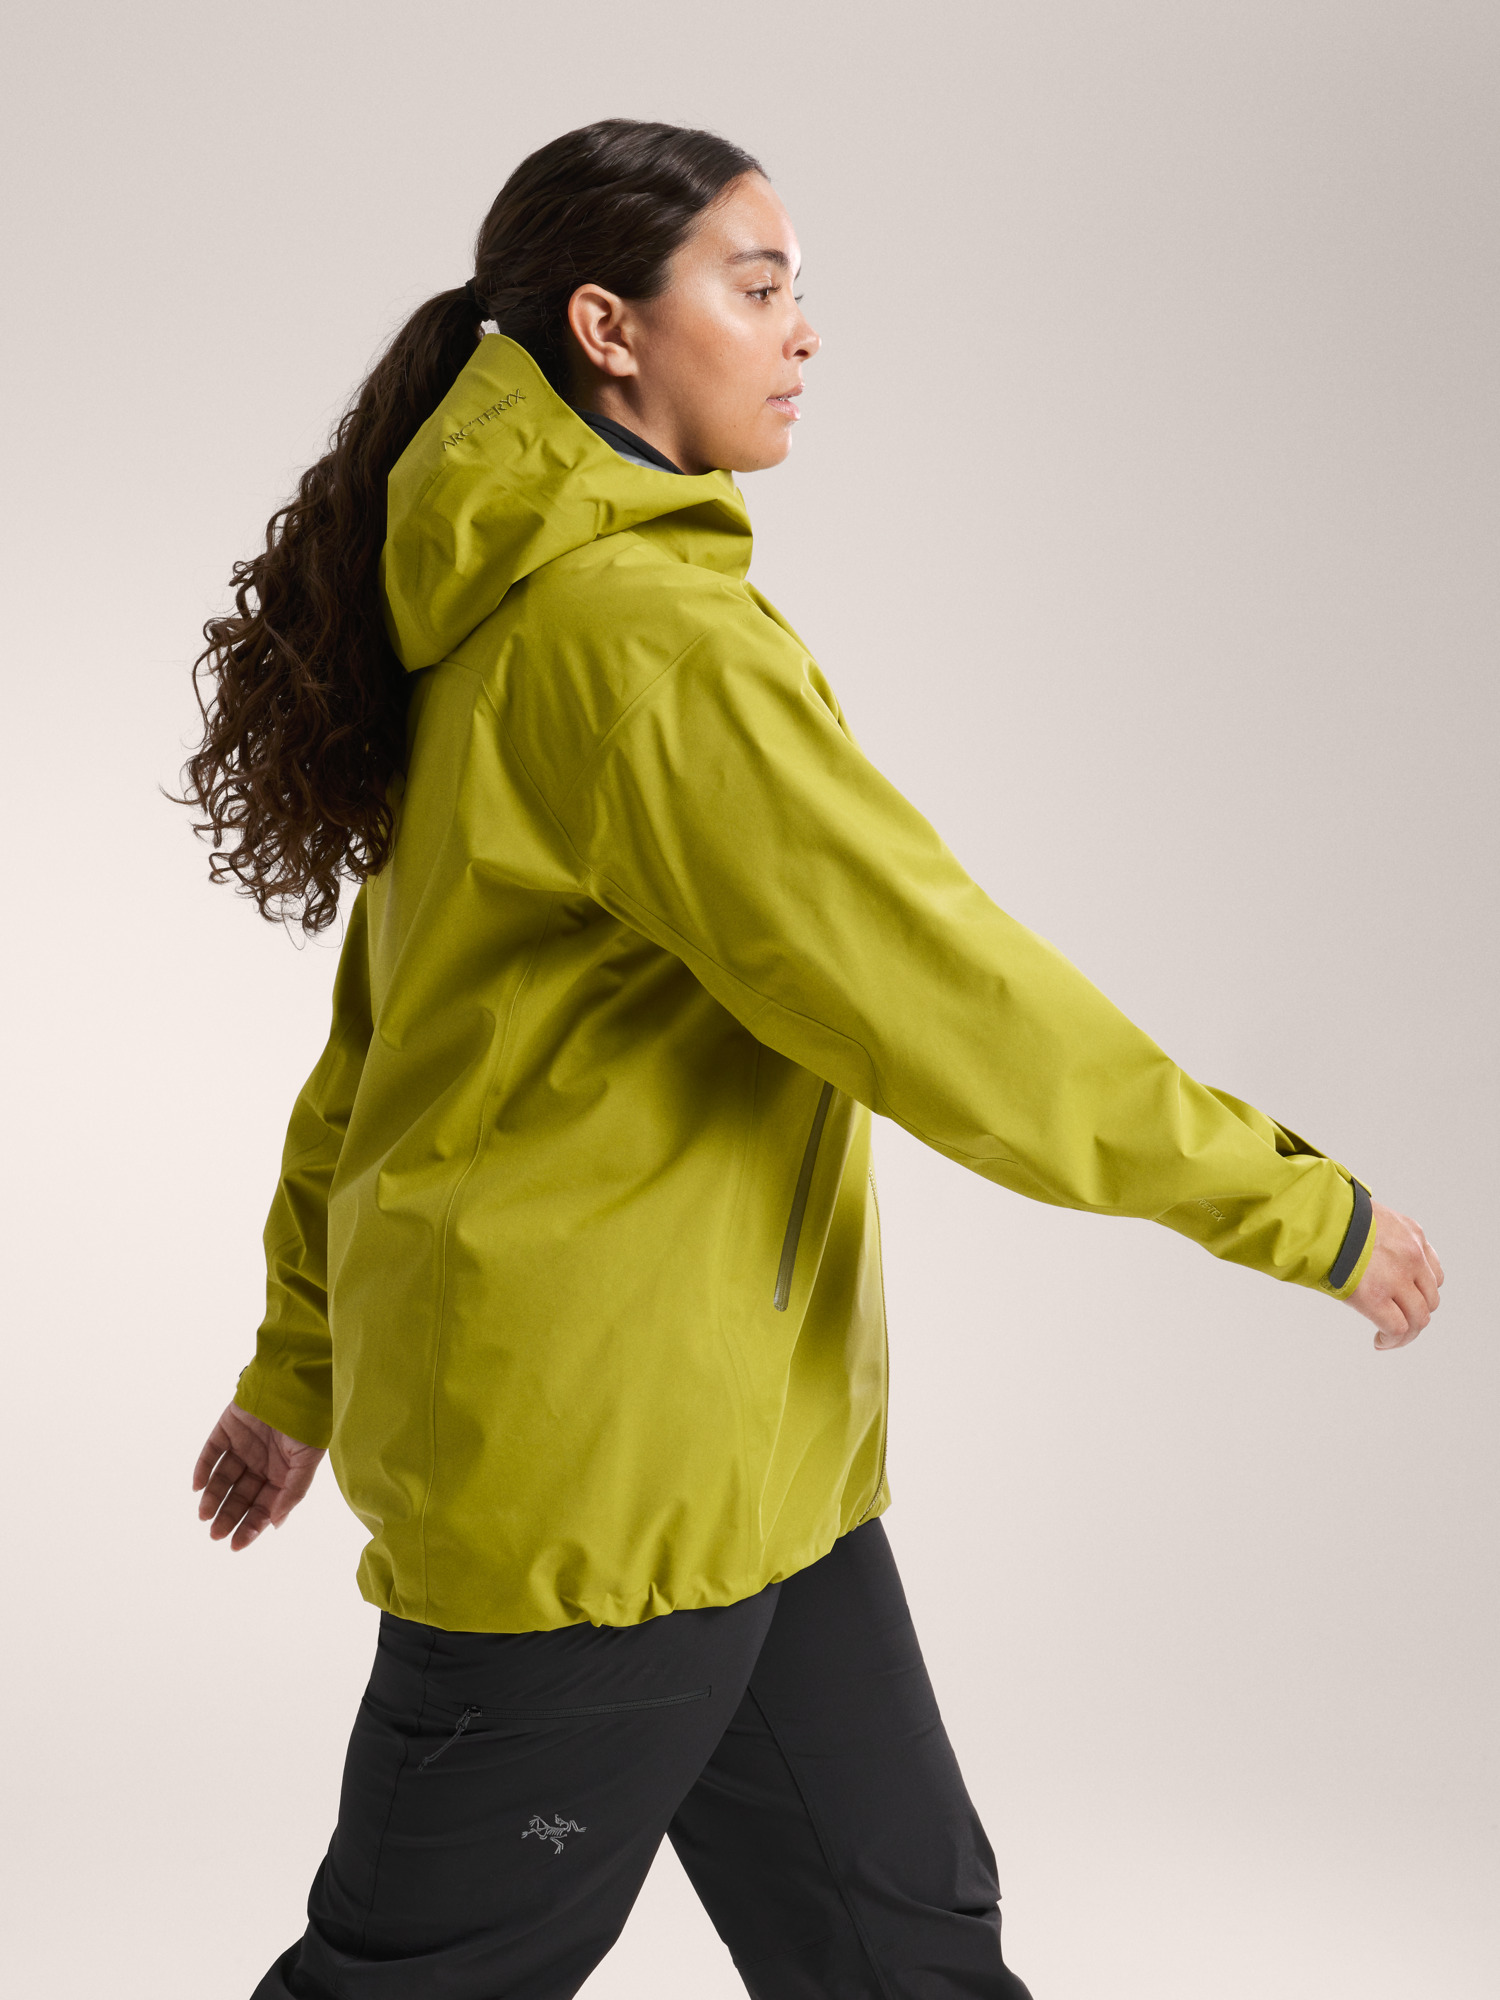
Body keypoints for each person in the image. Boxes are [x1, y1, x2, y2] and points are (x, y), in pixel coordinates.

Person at [183, 119, 1443, 2000]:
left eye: (798, 291)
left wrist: (301, 1367)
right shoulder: (636, 646)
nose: (803, 331)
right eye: (757, 286)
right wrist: (1299, 1211)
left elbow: (377, 1049)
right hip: (598, 1485)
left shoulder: (532, 615)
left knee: (903, 1953)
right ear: (608, 329)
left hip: (752, 1466)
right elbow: (947, 1001)